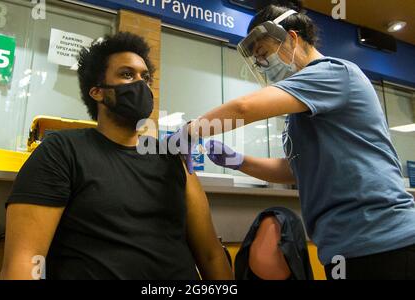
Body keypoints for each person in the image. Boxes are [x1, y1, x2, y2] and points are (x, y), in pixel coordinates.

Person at [173, 0, 415, 280]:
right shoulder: (301, 112)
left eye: (264, 53)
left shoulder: (333, 73)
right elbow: (295, 169)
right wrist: (237, 161)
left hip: (386, 244)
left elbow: (244, 109)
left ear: (292, 38)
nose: (263, 65)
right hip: (346, 249)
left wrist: (191, 131)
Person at [0, 32, 233, 280]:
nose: (141, 84)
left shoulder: (172, 158)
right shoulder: (62, 151)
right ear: (98, 92)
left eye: (146, 77)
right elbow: (25, 260)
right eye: (127, 74)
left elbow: (210, 255)